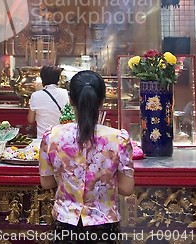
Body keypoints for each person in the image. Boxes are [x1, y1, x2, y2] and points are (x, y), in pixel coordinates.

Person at [39, 70, 134, 244]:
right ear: (102, 101)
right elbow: (127, 188)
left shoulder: (52, 136)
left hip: (65, 224)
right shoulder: (119, 138)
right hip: (104, 226)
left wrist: (69, 181)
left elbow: (46, 183)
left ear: (71, 100)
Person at [28, 65, 69, 138]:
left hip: (43, 138)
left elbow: (30, 120)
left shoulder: (35, 96)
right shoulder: (64, 93)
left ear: (42, 78)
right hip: (61, 139)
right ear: (58, 78)